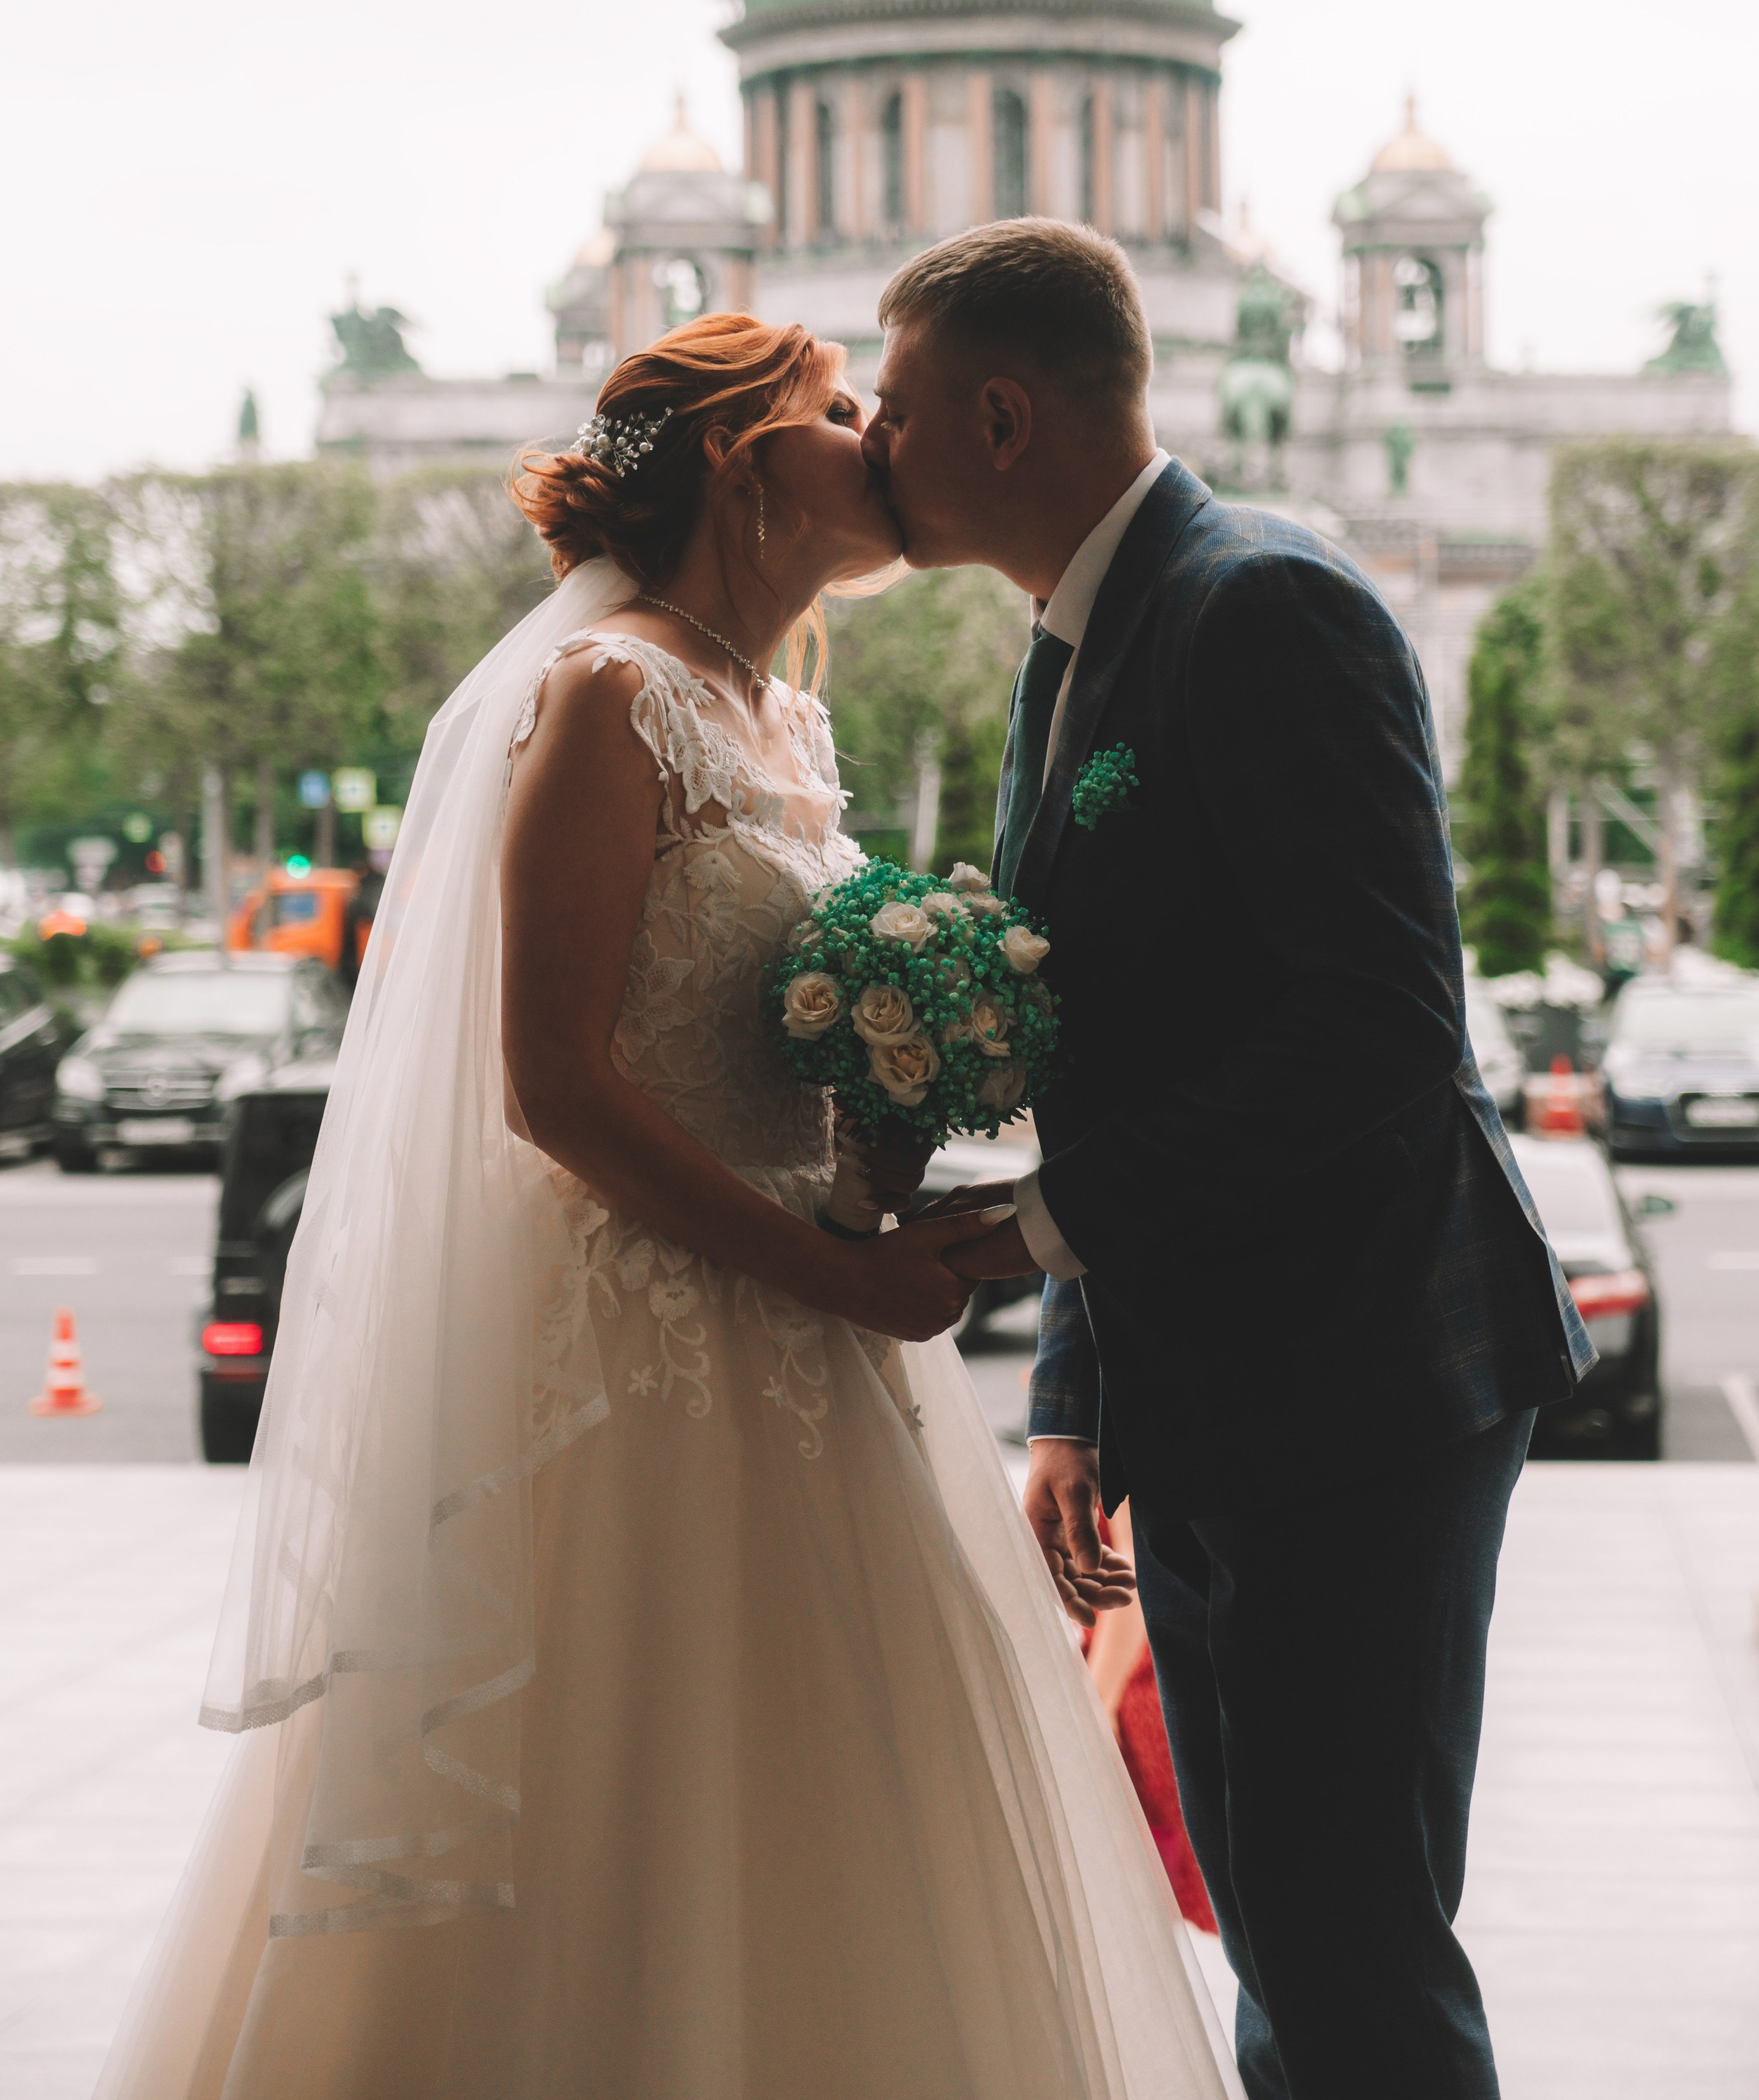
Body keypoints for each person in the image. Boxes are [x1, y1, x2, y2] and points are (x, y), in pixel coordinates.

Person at [92, 313, 1228, 2100]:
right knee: (619, 1794)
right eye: (837, 409)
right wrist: (824, 1268)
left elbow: (776, 1047)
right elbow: (549, 1086)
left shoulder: (781, 711)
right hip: (636, 1345)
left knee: (842, 1810)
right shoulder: (606, 694)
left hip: (824, 1325)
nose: (878, 436)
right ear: (740, 459)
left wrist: (887, 1136)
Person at [861, 221, 1597, 2100]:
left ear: (1004, 414)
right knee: (1286, 1915)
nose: (873, 442)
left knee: (1344, 1934)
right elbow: (1121, 1039)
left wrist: (1037, 1229)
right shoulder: (1095, 635)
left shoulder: (1260, 601)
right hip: (1239, 1379)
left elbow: (1377, 1028)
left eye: (901, 405)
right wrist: (1081, 1392)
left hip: (1357, 1380)